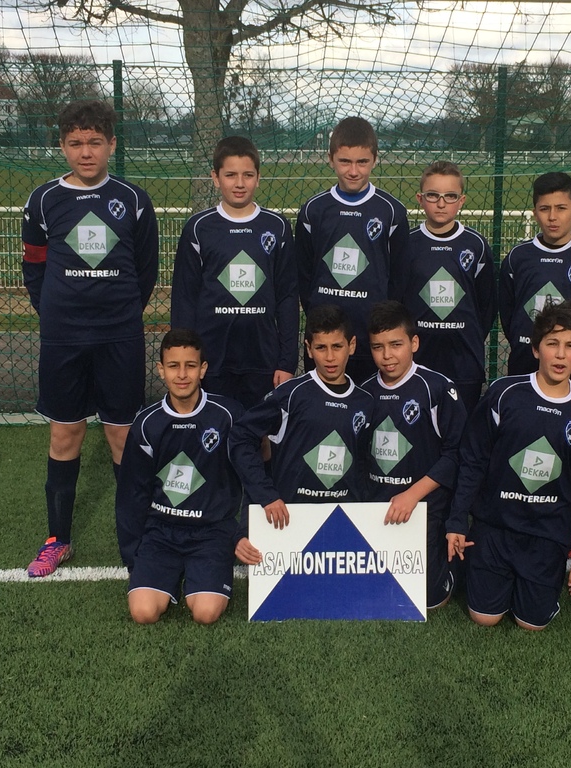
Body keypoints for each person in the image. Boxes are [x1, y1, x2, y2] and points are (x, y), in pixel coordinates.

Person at [21, 99, 159, 578]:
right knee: (65, 434)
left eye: (95, 142)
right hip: (63, 338)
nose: (86, 152)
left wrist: (120, 313)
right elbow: (34, 266)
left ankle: (137, 541)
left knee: (122, 436)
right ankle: (57, 540)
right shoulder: (43, 200)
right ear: (62, 146)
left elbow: (145, 269)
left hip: (120, 335)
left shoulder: (134, 199)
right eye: (76, 143)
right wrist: (56, 313)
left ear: (111, 145)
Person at [447, 301, 571, 630]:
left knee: (531, 623)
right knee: (484, 618)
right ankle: (481, 569)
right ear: (536, 349)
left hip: (547, 535)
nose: (560, 355)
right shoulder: (504, 395)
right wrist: (457, 520)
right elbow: (473, 461)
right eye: (552, 343)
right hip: (495, 527)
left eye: (570, 346)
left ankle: (533, 584)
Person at [115, 329, 243, 624]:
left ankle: (202, 576)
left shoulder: (227, 415)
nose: (182, 374)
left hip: (211, 532)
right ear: (161, 370)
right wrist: (133, 554)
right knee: (143, 613)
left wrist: (242, 530)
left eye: (190, 365)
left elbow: (252, 468)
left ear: (203, 369)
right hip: (161, 532)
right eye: (173, 366)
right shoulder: (147, 423)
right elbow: (132, 492)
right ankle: (161, 575)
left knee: (205, 613)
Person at [228, 304, 374, 564]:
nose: (330, 357)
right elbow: (240, 437)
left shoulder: (365, 402)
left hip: (344, 521)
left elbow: (365, 467)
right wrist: (266, 497)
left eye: (337, 346)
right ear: (308, 349)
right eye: (321, 348)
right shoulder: (291, 394)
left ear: (351, 346)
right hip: (289, 521)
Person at [170, 136, 298, 408]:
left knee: (261, 429)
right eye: (230, 175)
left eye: (247, 175)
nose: (239, 183)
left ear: (258, 178)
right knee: (214, 426)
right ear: (215, 178)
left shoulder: (276, 227)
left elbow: (287, 297)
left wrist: (287, 361)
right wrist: (186, 362)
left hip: (263, 358)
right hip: (212, 359)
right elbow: (185, 299)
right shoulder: (199, 228)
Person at [360, 300, 467, 609]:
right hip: (377, 507)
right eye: (378, 347)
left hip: (424, 506)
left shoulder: (437, 389)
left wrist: (412, 495)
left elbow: (456, 454)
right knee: (368, 589)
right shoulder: (364, 392)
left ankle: (454, 567)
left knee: (431, 600)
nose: (387, 355)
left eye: (396, 345)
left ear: (414, 343)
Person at [296, 116, 410, 383]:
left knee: (369, 404)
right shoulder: (313, 210)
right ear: (331, 159)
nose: (353, 171)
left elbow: (399, 277)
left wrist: (383, 323)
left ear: (375, 159)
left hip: (372, 337)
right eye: (345, 161)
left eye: (362, 162)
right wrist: (317, 314)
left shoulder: (391, 211)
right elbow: (303, 273)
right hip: (326, 339)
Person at [498, 171, 571, 393]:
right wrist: (522, 341)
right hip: (525, 359)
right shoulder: (518, 257)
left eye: (561, 208)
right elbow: (507, 311)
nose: (552, 217)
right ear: (535, 213)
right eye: (545, 209)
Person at [399, 161, 497, 413]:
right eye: (433, 195)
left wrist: (467, 334)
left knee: (462, 427)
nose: (441, 203)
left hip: (463, 360)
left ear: (461, 200)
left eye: (450, 196)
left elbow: (486, 305)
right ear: (420, 199)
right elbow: (397, 300)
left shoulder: (476, 245)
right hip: (418, 359)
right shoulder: (407, 243)